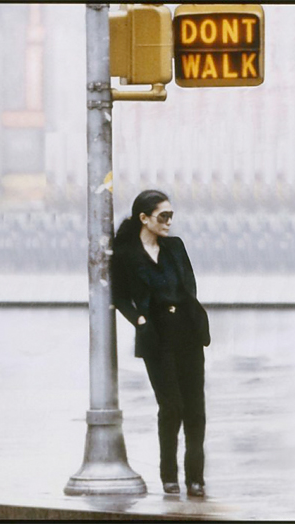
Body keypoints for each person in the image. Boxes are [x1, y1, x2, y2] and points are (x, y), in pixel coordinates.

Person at [112, 189, 211, 497]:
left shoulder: (175, 247)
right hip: (156, 337)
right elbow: (118, 296)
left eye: (171, 216)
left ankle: (195, 478)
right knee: (171, 407)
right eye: (162, 216)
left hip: (187, 333)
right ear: (144, 218)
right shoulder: (126, 255)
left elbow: (189, 284)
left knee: (195, 409)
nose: (168, 221)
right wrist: (140, 321)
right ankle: (169, 475)